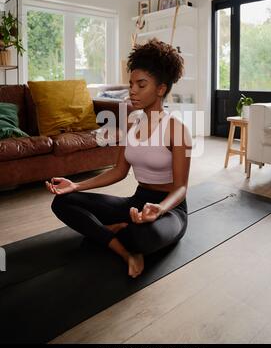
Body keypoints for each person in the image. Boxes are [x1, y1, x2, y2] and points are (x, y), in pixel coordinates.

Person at [46, 38, 192, 279]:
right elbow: (118, 170)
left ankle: (106, 234)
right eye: (131, 83)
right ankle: (124, 250)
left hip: (170, 210)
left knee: (146, 236)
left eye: (141, 84)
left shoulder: (177, 129)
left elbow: (181, 188)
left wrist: (160, 209)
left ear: (161, 89)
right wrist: (76, 185)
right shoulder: (132, 120)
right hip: (137, 202)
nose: (132, 90)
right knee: (62, 202)